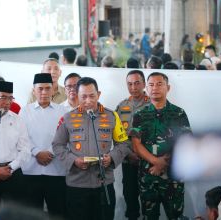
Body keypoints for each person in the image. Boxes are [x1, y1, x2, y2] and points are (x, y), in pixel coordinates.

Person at [52, 77, 130, 220]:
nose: (88, 100)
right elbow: (57, 145)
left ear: (98, 94)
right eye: (83, 96)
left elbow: (124, 144)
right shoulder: (68, 118)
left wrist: (111, 158)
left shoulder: (112, 116)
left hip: (104, 185)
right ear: (77, 96)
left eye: (92, 96)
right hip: (77, 186)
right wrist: (73, 160)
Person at [130, 72, 192, 219]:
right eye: (151, 85)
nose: (155, 88)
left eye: (159, 84)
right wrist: (155, 161)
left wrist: (163, 162)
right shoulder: (140, 114)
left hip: (173, 178)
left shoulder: (178, 113)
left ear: (168, 87)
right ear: (146, 88)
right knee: (149, 216)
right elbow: (136, 145)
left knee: (175, 216)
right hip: (148, 177)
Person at [20, 73, 68, 219]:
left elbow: (65, 137)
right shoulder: (25, 111)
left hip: (56, 171)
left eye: (48, 88)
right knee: (32, 213)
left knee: (58, 212)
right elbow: (21, 137)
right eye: (40, 89)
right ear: (34, 90)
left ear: (53, 90)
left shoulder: (63, 111)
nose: (44, 92)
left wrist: (50, 152)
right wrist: (36, 152)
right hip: (31, 171)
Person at [115, 70, 150, 220]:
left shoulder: (152, 104)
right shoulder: (122, 106)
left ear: (143, 84)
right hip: (128, 160)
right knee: (130, 197)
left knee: (150, 200)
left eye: (137, 83)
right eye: (130, 84)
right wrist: (128, 154)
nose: (133, 87)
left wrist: (144, 155)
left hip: (150, 162)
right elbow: (116, 136)